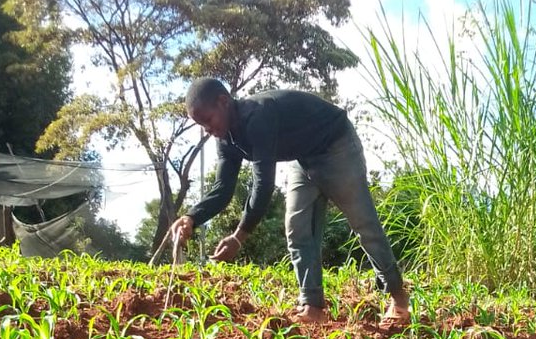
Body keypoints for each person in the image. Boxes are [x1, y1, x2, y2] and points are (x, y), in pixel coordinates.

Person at [170, 78, 410, 324]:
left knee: (363, 223)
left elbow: (263, 186)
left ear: (223, 102)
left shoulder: (258, 116)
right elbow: (222, 189)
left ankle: (399, 299)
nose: (206, 130)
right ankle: (312, 307)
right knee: (297, 229)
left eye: (208, 120)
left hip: (336, 147)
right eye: (201, 125)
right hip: (303, 156)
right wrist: (191, 217)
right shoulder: (225, 139)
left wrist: (238, 238)